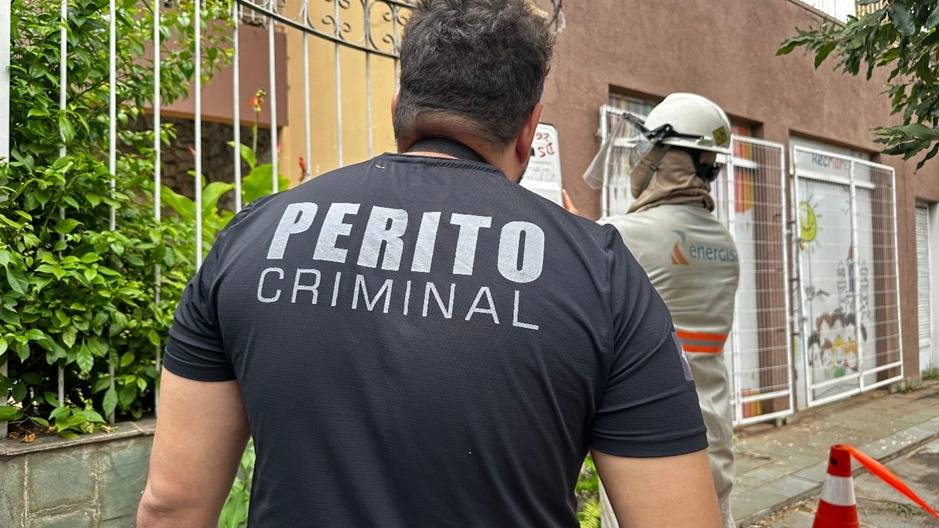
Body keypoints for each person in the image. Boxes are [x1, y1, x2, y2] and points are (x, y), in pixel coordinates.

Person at [136, 2, 721, 526]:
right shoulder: (601, 272)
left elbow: (171, 505)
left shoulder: (253, 238)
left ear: (398, 109)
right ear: (528, 128)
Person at [596, 93, 741, 528]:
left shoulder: (618, 235)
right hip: (713, 429)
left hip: (648, 438)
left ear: (666, 156)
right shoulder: (724, 243)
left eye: (648, 147)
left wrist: (579, 239)